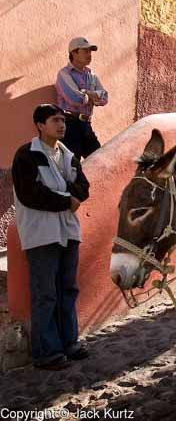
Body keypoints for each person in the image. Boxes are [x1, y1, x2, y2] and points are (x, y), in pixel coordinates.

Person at [12, 104, 90, 370]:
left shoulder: (68, 155)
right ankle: (46, 352)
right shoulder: (26, 155)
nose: (62, 125)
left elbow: (84, 188)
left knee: (67, 289)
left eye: (63, 120)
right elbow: (30, 194)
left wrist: (64, 194)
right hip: (41, 234)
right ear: (40, 125)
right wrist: (66, 199)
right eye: (55, 120)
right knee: (45, 293)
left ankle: (70, 342)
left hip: (68, 230)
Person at [55, 37, 107, 161]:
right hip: (69, 125)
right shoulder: (64, 74)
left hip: (86, 124)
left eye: (90, 51)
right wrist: (94, 96)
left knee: (98, 161)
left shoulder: (91, 75)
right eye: (85, 51)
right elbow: (75, 99)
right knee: (72, 167)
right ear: (74, 52)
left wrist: (85, 93)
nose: (89, 55)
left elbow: (105, 98)